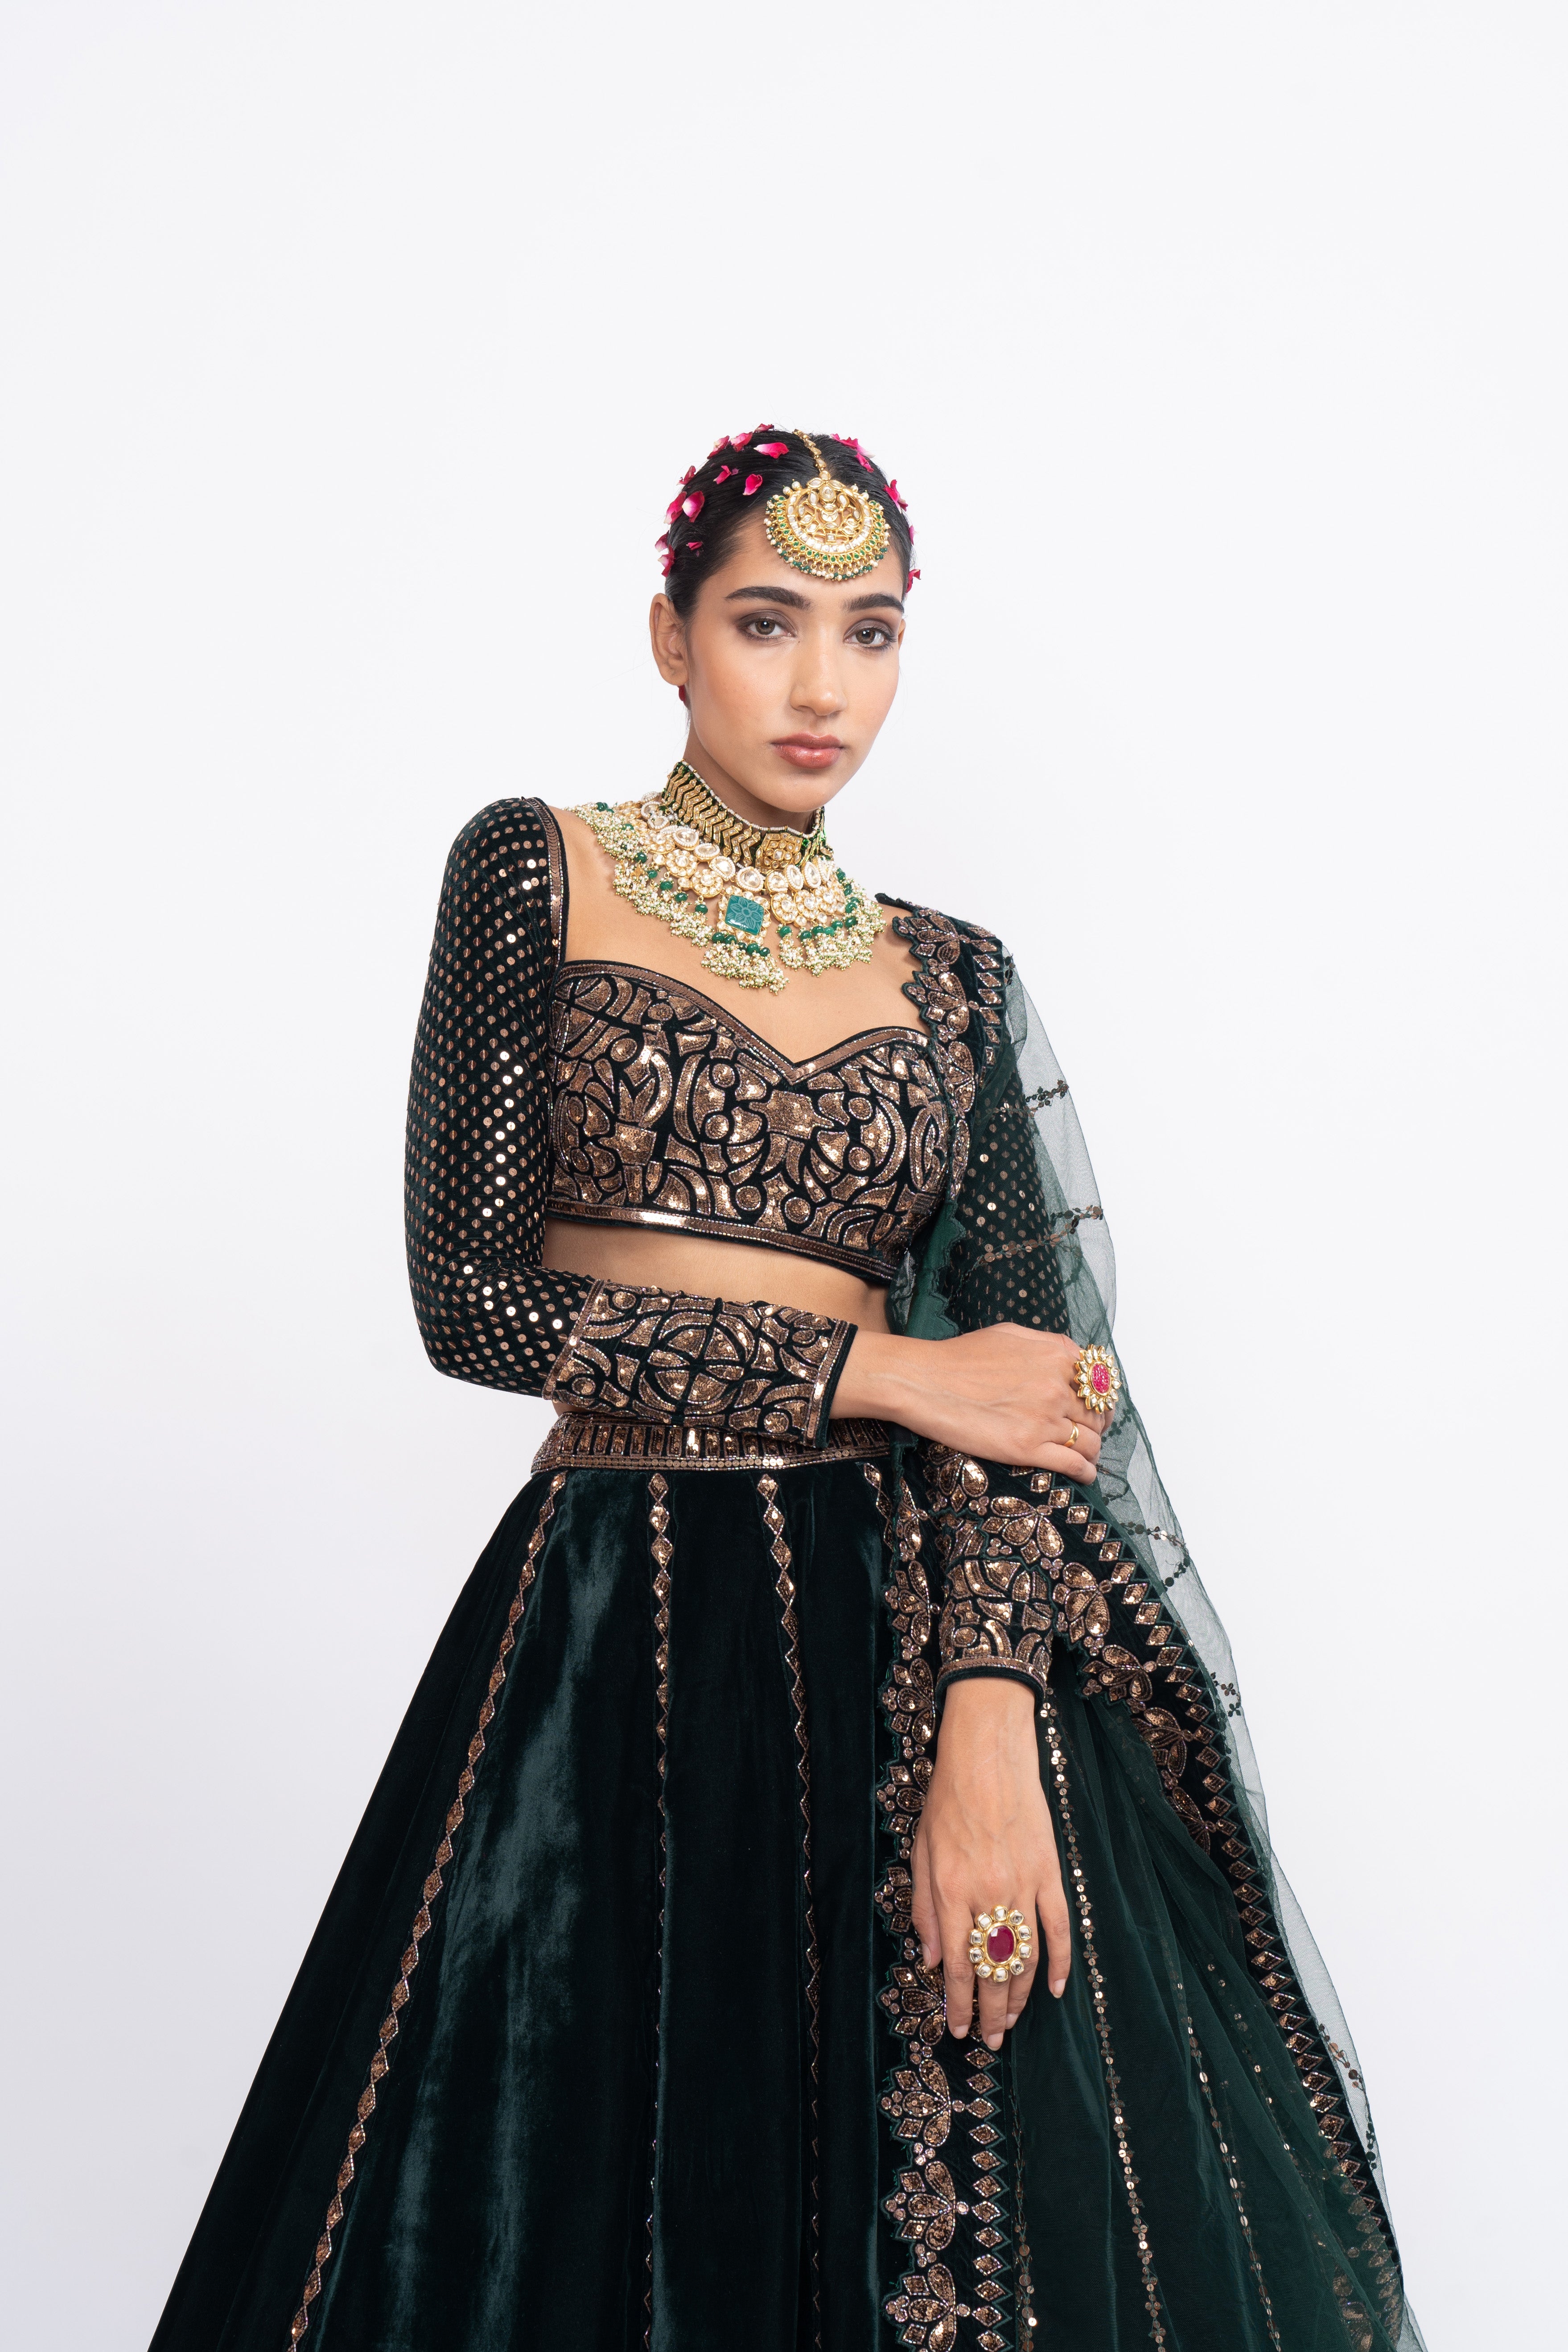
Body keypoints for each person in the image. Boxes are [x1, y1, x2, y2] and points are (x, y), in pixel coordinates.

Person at [151, 430, 1422, 2352]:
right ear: (670, 637)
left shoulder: (956, 979)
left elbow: (1034, 1404)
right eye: (766, 622)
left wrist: (992, 1727)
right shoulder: (536, 870)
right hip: (612, 1631)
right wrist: (883, 1363)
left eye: (870, 631)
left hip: (907, 1643)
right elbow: (476, 1304)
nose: (823, 683)